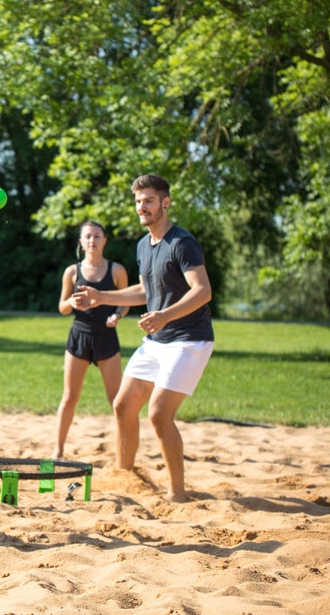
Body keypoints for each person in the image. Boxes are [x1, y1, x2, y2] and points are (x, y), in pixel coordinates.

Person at [72, 175, 214, 502]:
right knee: (123, 405)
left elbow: (203, 290)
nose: (142, 207)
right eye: (138, 201)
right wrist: (101, 297)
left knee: (159, 414)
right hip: (158, 339)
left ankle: (177, 494)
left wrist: (165, 315)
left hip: (189, 339)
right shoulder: (143, 245)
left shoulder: (182, 243)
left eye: (149, 200)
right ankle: (126, 476)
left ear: (165, 203)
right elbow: (146, 291)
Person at [55, 221, 128, 458]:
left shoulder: (116, 270)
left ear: (104, 240)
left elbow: (125, 301)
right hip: (79, 336)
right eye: (88, 236)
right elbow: (62, 307)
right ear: (81, 242)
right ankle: (58, 450)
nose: (92, 240)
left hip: (106, 336)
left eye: (97, 236)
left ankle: (123, 451)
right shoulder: (72, 272)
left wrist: (117, 315)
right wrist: (71, 302)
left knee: (116, 400)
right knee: (69, 397)